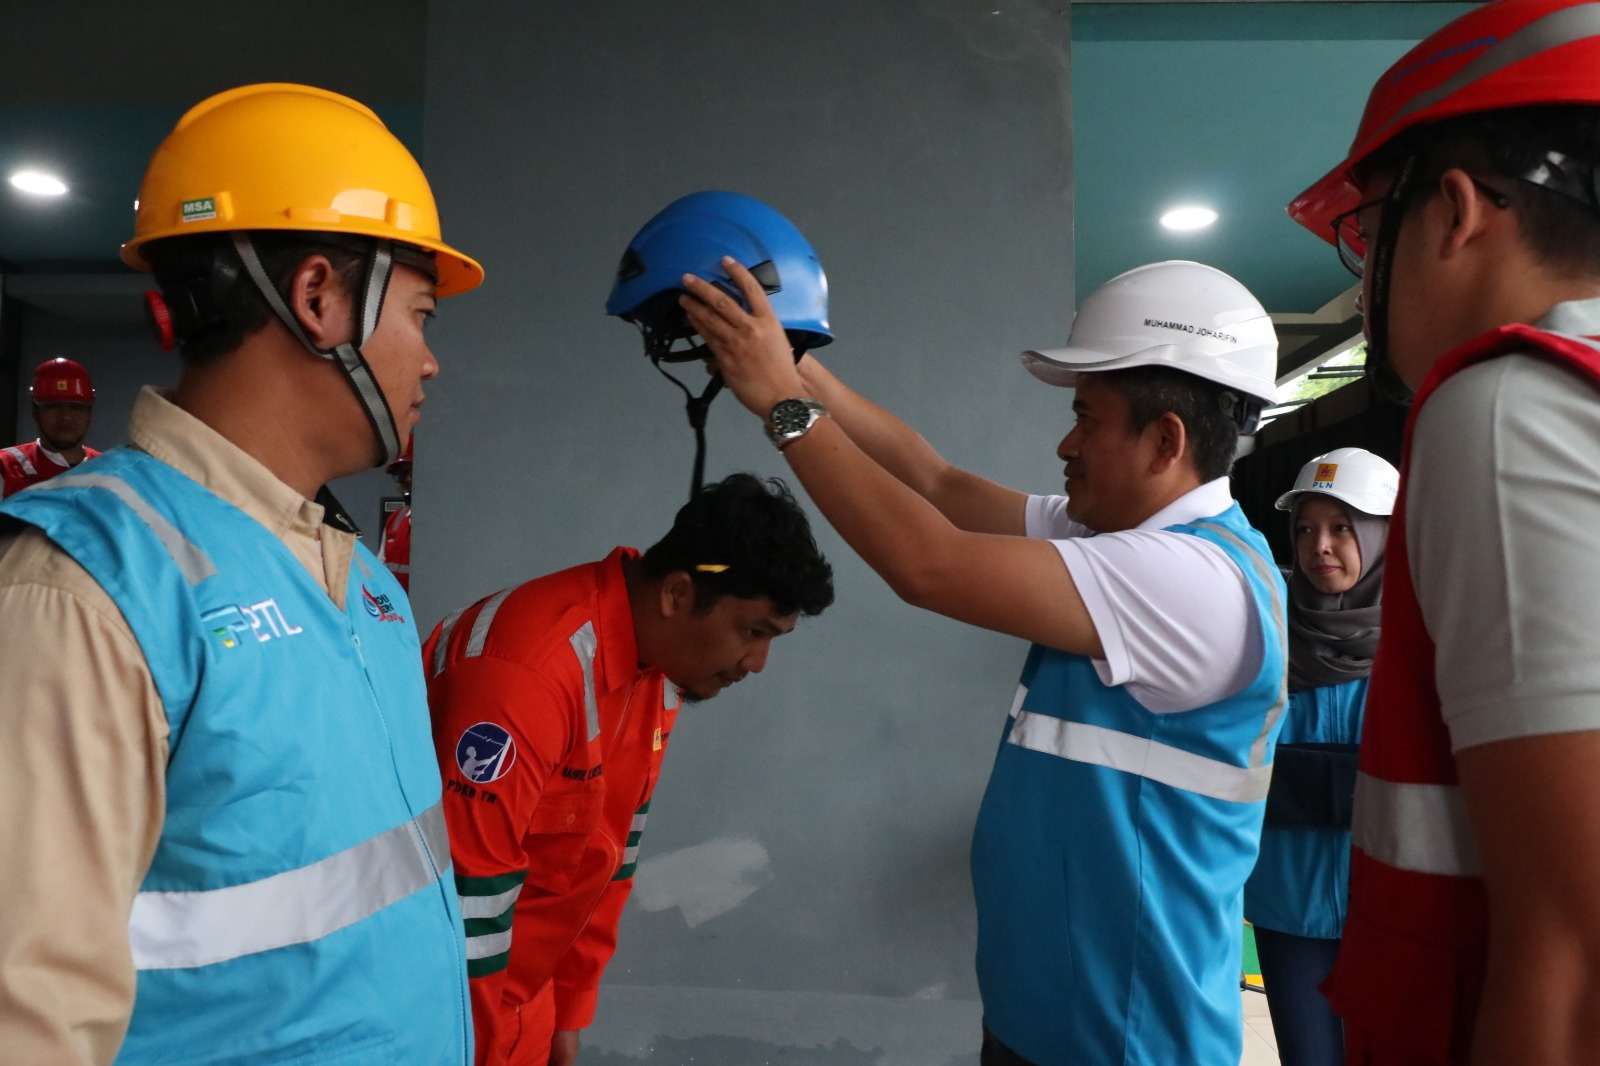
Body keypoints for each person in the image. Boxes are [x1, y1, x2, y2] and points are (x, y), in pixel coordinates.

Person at [681, 257, 1288, 1065]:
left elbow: (928, 564)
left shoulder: (1190, 582)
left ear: (1165, 441)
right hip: (1053, 1016)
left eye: (1087, 419)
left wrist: (781, 407)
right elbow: (938, 484)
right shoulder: (1121, 539)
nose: (1066, 444)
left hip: (1127, 1039)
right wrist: (793, 367)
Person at [0, 83, 483, 1064]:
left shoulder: (364, 585)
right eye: (422, 316)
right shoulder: (85, 591)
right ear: (319, 299)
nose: (431, 363)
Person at [1288, 4, 1600, 1062]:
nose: (1364, 282)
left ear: (1454, 211)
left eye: (1368, 231)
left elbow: (1575, 964)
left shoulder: (1513, 404)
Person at [425, 473, 833, 1066]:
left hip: (520, 1006)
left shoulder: (656, 671)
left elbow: (609, 861)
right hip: (449, 1017)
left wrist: (569, 1011)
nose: (758, 663)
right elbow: (465, 911)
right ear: (677, 595)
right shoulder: (525, 677)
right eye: (752, 632)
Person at [1243, 448, 1398, 1066]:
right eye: (1305, 529)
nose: (1320, 546)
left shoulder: (1429, 644)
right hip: (1288, 908)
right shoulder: (1259, 632)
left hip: (1394, 911)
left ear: (1384, 535)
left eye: (1341, 528)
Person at [1, 357, 101, 496]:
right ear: (35, 411)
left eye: (76, 407)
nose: (65, 416)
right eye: (53, 407)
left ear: (89, 413)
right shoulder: (5, 467)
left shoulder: (109, 470)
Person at [379, 437, 413, 591]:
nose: (404, 479)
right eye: (400, 474)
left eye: (408, 472)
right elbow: (379, 568)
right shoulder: (395, 520)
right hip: (396, 603)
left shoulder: (440, 521)